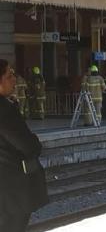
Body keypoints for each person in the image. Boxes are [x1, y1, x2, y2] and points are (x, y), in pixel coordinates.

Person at [0, 59, 49, 232]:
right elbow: (28, 146)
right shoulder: (4, 110)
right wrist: (35, 143)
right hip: (10, 189)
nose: (14, 79)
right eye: (9, 75)